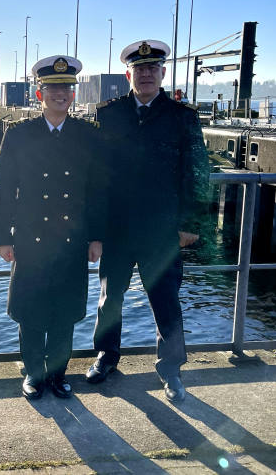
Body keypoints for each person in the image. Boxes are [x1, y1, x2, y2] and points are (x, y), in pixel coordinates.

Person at [85, 39, 210, 404]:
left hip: (163, 228)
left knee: (166, 300)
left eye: (152, 68)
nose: (146, 75)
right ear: (129, 74)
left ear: (163, 73)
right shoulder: (110, 114)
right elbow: (96, 178)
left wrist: (191, 224)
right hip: (118, 229)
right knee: (111, 299)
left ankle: (171, 368)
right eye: (139, 69)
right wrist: (95, 232)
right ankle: (106, 356)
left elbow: (197, 171)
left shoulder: (182, 117)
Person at [0, 55, 107, 400]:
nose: (60, 94)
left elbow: (97, 191)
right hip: (30, 239)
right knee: (32, 310)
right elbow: (4, 190)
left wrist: (97, 236)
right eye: (53, 88)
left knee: (64, 312)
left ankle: (57, 375)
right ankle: (33, 373)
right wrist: (2, 238)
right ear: (39, 94)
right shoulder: (19, 135)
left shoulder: (88, 136)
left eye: (66, 89)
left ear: (74, 95)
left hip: (72, 240)